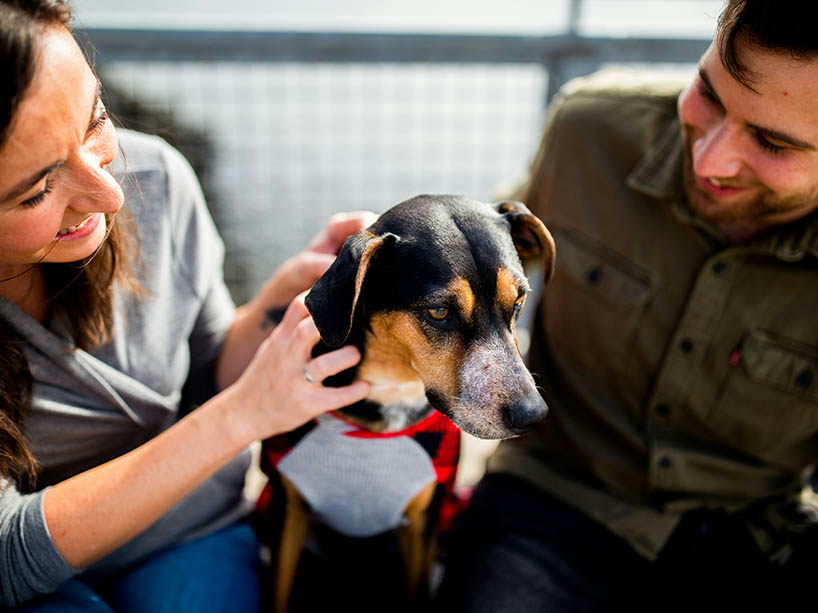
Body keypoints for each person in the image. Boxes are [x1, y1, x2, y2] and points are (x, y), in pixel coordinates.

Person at [436, 1, 818, 610]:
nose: (711, 158)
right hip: (550, 502)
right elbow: (495, 260)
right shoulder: (588, 130)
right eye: (709, 95)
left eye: (772, 142)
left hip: (754, 538)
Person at [0, 1, 373, 610]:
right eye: (38, 190)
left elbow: (202, 369)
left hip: (186, 528)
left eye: (96, 121)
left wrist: (278, 305)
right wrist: (242, 418)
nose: (111, 192)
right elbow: (8, 554)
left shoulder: (159, 178)